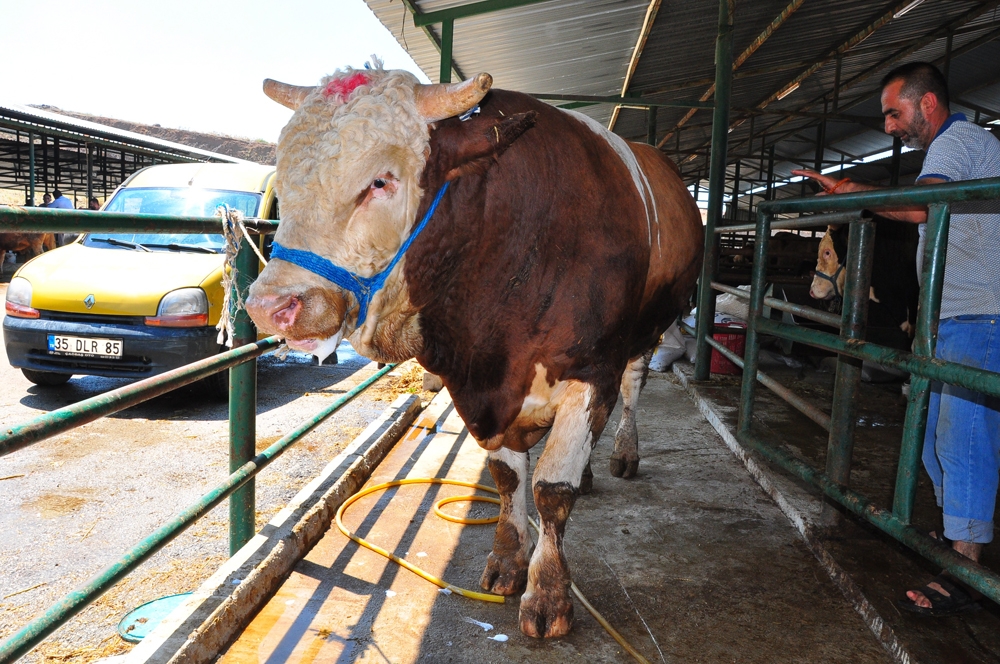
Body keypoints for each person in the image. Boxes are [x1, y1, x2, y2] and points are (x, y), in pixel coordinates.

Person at [793, 62, 1000, 617]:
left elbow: (918, 206)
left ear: (927, 103)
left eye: (894, 112)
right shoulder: (949, 148)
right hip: (950, 317)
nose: (888, 126)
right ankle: (959, 541)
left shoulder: (959, 141)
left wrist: (852, 189)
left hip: (978, 316)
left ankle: (967, 567)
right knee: (937, 442)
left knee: (964, 442)